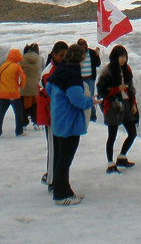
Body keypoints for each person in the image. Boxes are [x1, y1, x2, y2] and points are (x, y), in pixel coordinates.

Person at [46, 43, 94, 205]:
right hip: (69, 123)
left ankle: (66, 190)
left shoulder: (61, 70)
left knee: (61, 158)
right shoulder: (72, 76)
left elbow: (48, 88)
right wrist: (90, 101)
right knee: (65, 160)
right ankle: (60, 195)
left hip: (58, 120)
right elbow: (77, 99)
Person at [96, 44, 138, 173]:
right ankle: (110, 163)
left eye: (124, 56)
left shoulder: (127, 70)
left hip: (126, 103)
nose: (123, 59)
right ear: (115, 57)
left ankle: (122, 156)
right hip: (113, 105)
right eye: (120, 57)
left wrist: (134, 104)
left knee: (132, 133)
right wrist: (116, 90)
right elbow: (101, 91)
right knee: (112, 135)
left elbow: (131, 88)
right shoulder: (107, 71)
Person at [38, 41, 68, 191]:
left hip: (59, 114)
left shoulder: (61, 69)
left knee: (59, 147)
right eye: (61, 55)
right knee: (53, 147)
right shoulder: (49, 72)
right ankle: (51, 180)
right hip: (51, 115)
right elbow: (49, 94)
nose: (64, 58)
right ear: (54, 54)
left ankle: (54, 176)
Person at [0, 49, 26, 138]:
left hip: (2, 93)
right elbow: (23, 77)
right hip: (13, 93)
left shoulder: (2, 66)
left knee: (0, 113)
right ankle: (19, 131)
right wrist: (21, 85)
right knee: (18, 113)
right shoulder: (16, 66)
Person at [77, 38, 100, 122]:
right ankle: (83, 115)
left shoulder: (91, 52)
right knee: (81, 97)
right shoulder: (76, 55)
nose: (84, 46)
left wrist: (97, 55)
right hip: (80, 79)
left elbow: (98, 64)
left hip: (90, 78)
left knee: (91, 97)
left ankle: (92, 117)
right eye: (81, 45)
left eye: (85, 44)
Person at [21, 43, 42, 130]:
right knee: (35, 106)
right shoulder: (39, 59)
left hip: (25, 87)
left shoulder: (22, 60)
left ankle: (23, 124)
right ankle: (36, 123)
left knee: (24, 107)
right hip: (36, 86)